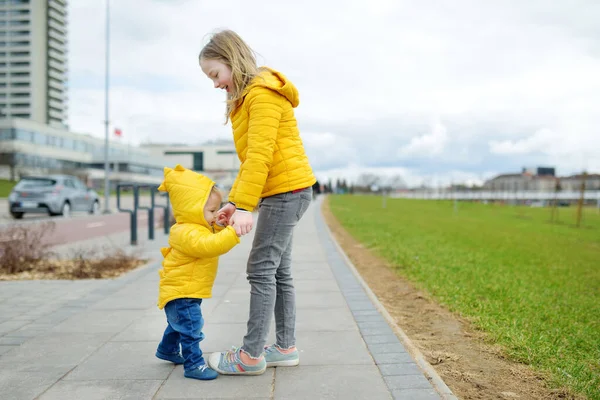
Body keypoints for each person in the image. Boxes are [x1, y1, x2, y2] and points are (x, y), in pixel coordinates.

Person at [199, 29, 316, 375]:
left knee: (261, 269)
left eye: (215, 74)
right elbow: (252, 160)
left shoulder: (262, 95)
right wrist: (236, 202)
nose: (216, 84)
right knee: (278, 271)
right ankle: (284, 347)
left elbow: (260, 157)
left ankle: (251, 356)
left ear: (231, 60)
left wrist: (246, 206)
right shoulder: (252, 96)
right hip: (285, 190)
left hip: (286, 192)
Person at [155, 164, 240, 380]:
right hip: (182, 291)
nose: (215, 214)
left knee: (179, 324)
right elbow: (209, 246)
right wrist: (231, 232)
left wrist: (219, 226)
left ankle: (167, 350)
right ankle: (194, 364)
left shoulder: (197, 228)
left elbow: (209, 237)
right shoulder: (185, 232)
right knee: (192, 328)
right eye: (211, 211)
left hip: (186, 288)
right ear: (191, 208)